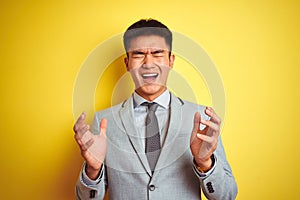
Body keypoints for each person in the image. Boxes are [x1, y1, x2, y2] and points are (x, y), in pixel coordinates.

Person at [73, 19, 237, 200]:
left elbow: (226, 195)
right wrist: (93, 170)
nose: (148, 63)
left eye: (157, 53)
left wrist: (205, 163)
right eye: (138, 54)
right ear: (127, 63)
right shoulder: (104, 122)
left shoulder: (201, 118)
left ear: (171, 60)